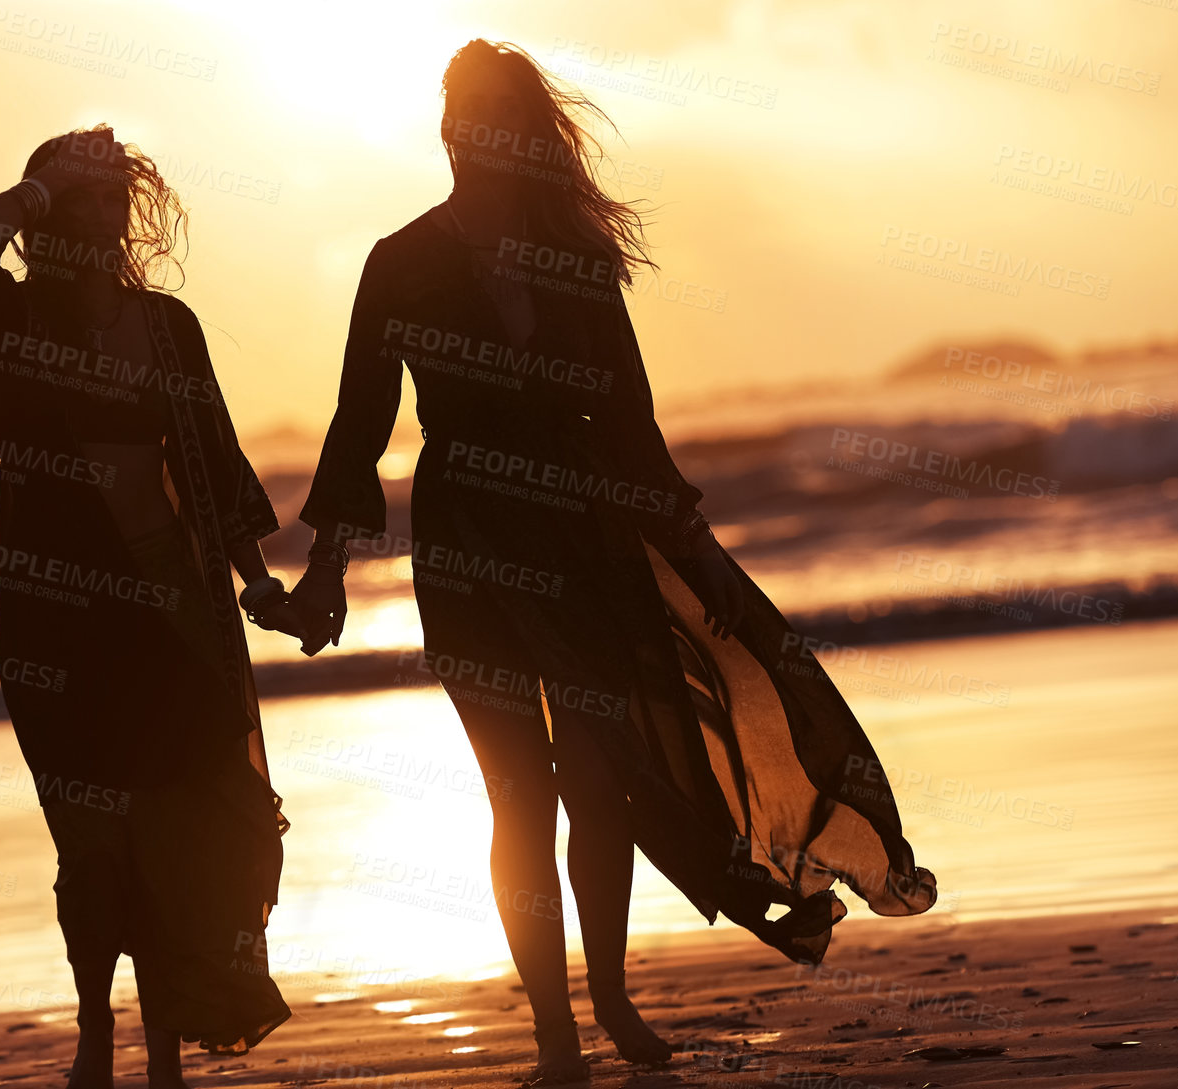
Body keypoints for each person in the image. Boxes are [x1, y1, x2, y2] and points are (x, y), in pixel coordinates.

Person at [290, 40, 938, 1087]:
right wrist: (328, 561)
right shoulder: (400, 260)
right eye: (465, 113)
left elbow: (629, 420)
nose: (478, 133)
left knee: (599, 785)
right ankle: (555, 1035)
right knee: (517, 798)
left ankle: (611, 999)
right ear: (446, 126)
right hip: (466, 547)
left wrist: (696, 548)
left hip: (581, 538)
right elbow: (360, 418)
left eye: (499, 116)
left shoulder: (573, 258)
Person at [0, 125, 301, 1088]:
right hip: (57, 614)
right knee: (92, 836)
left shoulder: (167, 325)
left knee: (186, 825)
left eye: (112, 198)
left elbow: (212, 459)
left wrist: (255, 578)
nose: (103, 215)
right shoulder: (9, 319)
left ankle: (167, 1041)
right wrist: (33, 196)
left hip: (170, 604)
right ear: (51, 211)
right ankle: (95, 1029)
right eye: (81, 199)